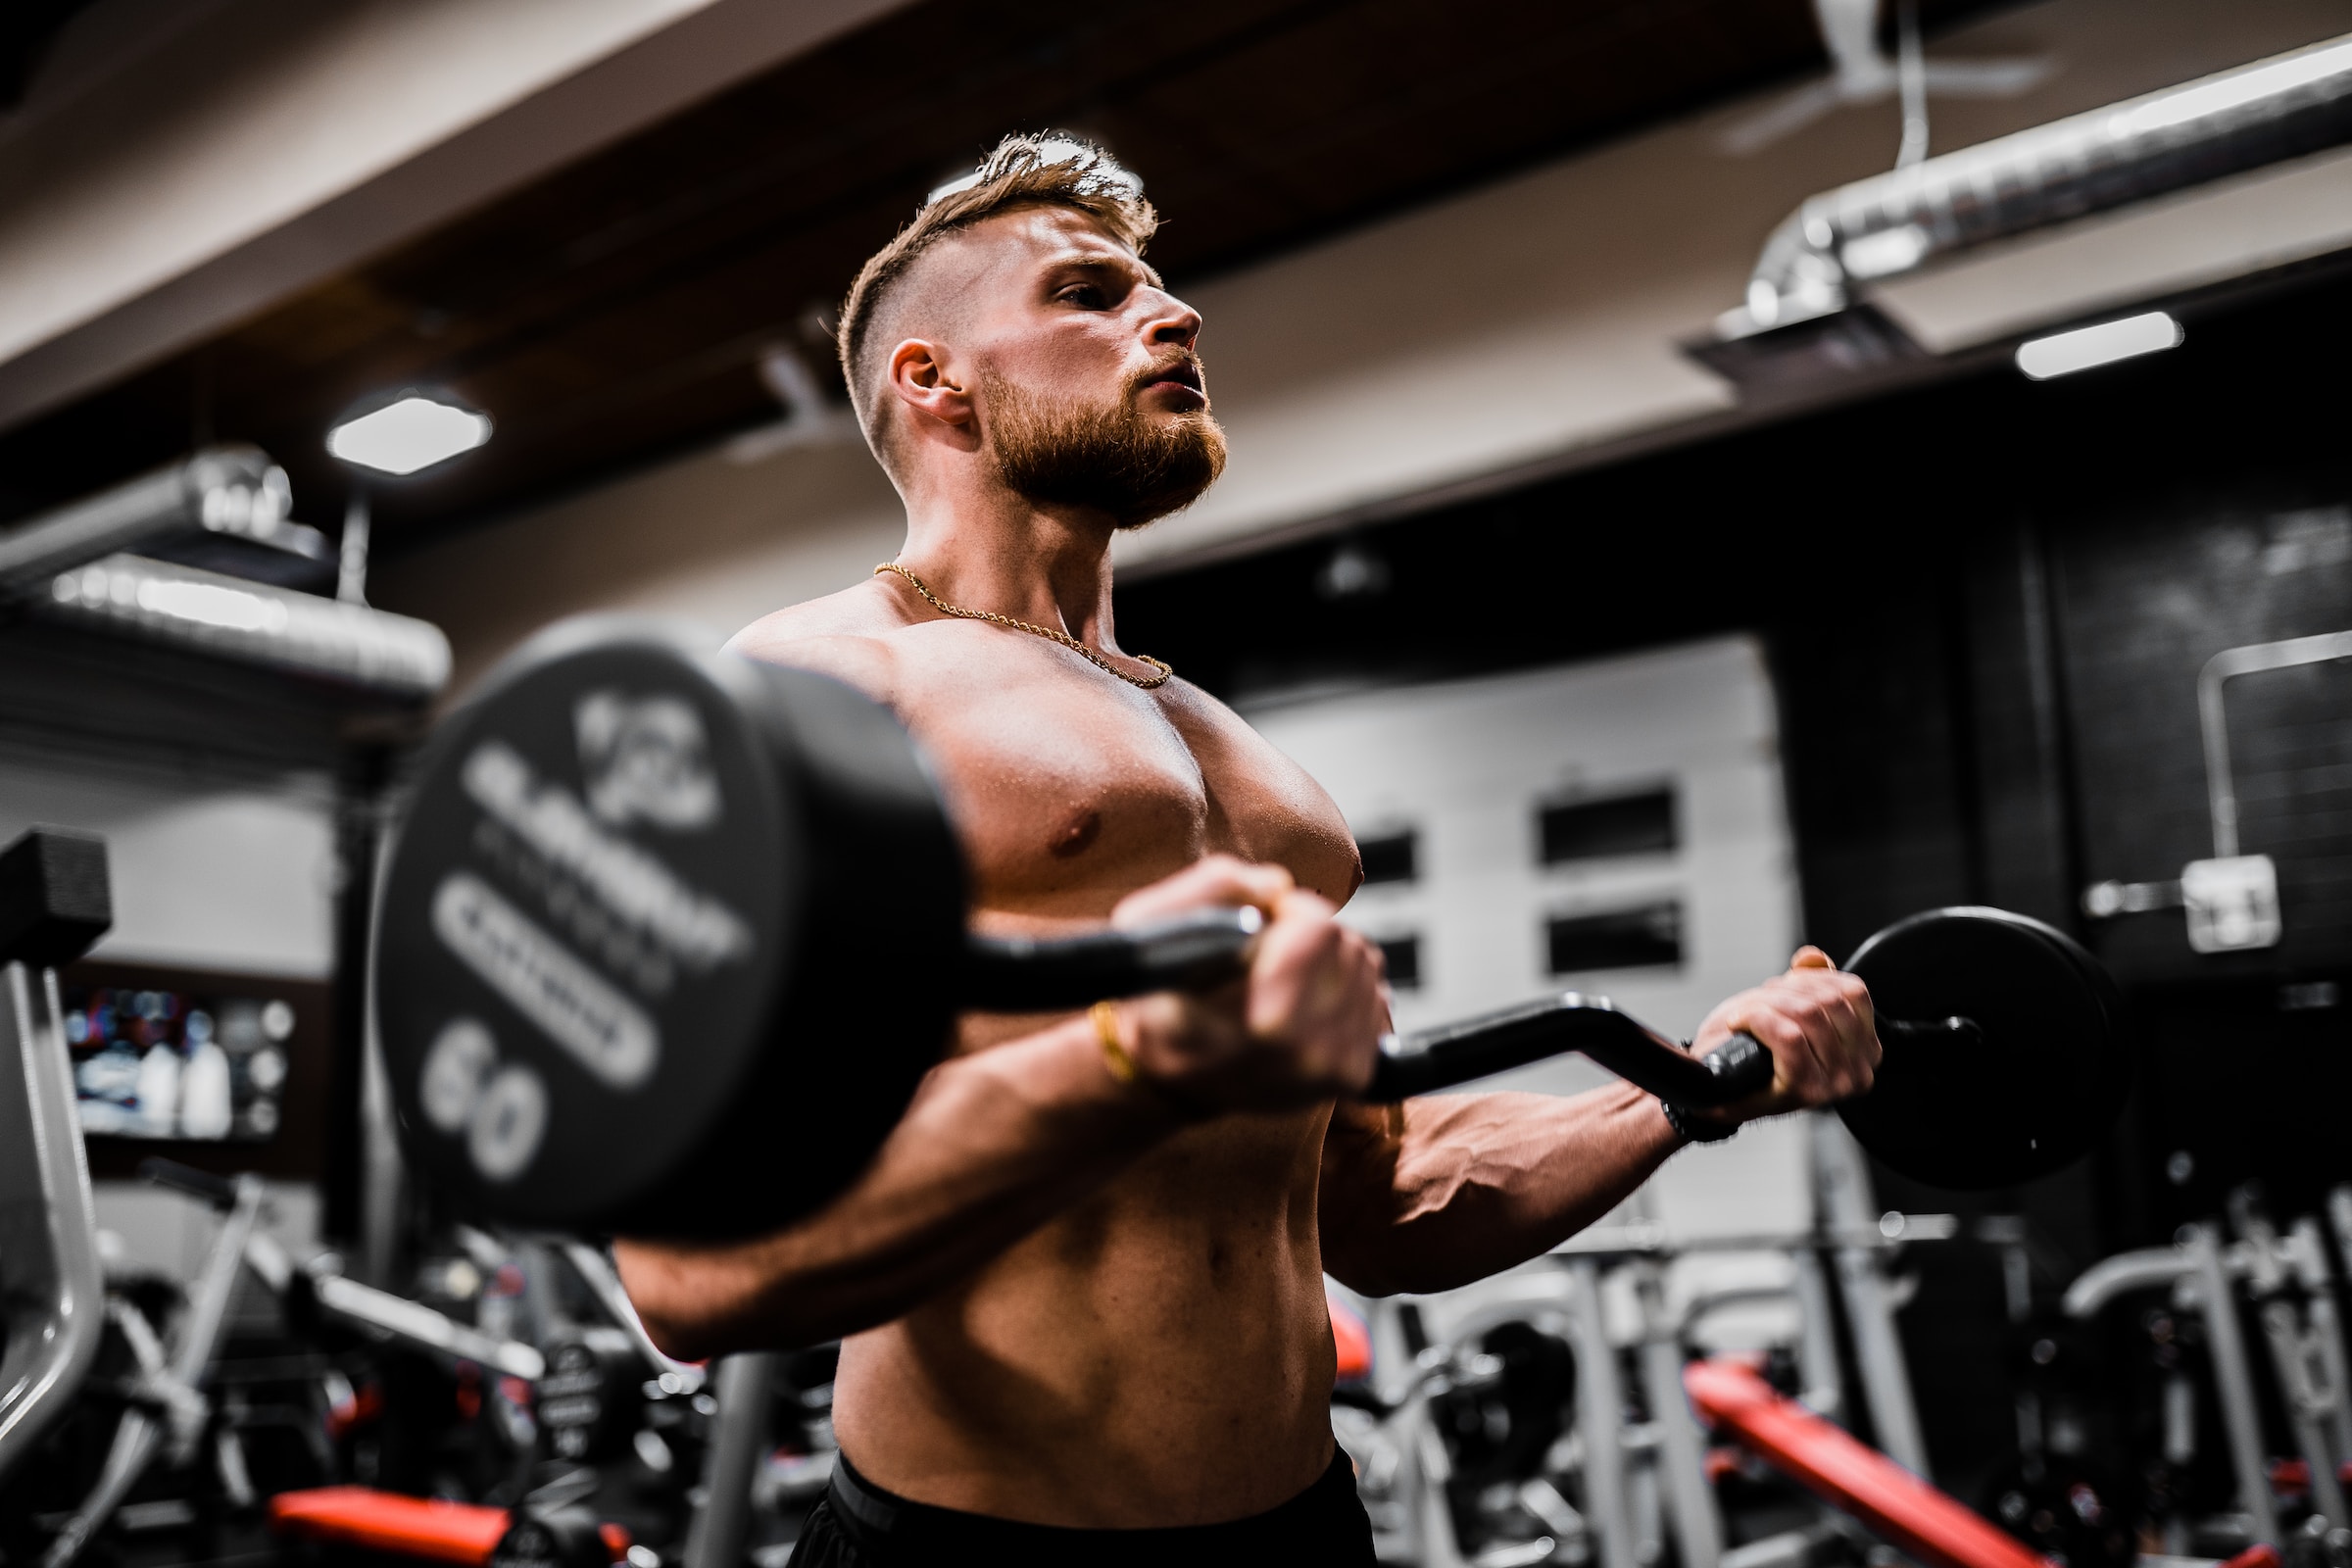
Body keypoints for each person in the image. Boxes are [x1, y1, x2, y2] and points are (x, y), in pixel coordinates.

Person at [612, 132, 1881, 1565]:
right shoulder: (813, 691)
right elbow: (691, 1270)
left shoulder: (1237, 759)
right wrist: (1128, 1058)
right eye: (1089, 292)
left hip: (1302, 1529)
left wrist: (1696, 1085)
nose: (1175, 314)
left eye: (1154, 287)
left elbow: (1381, 1203)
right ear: (934, 379)